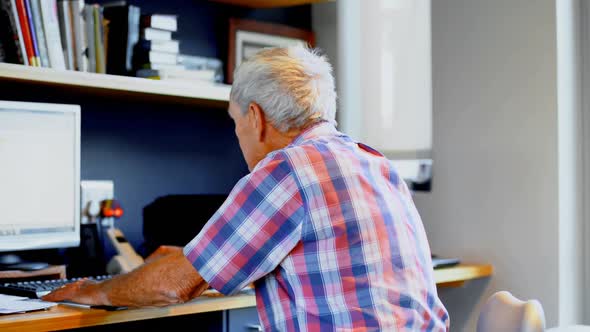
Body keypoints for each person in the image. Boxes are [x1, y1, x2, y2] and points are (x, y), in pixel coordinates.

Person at [43, 45, 449, 331]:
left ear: (255, 118)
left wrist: (94, 290)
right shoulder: (374, 162)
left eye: (235, 123)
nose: (238, 137)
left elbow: (174, 287)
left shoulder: (287, 169)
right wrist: (192, 260)